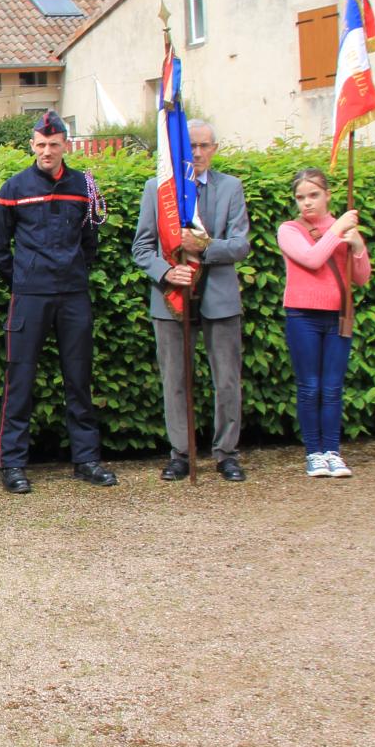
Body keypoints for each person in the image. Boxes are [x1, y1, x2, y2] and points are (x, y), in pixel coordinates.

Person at [0, 110, 117, 494]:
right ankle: (12, 464)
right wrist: (25, 280)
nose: (47, 151)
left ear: (65, 145)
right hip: (30, 297)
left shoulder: (83, 186)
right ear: (32, 145)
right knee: (20, 379)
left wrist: (71, 272)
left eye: (54, 144)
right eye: (41, 145)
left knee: (79, 379)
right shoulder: (13, 188)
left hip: (73, 295)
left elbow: (89, 241)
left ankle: (87, 459)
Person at [130, 120, 252, 482]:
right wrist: (167, 273)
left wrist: (205, 247)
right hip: (171, 298)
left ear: (214, 148)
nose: (197, 153)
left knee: (227, 379)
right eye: (191, 147)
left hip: (219, 297)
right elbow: (141, 247)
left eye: (204, 146)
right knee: (175, 380)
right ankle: (181, 453)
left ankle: (226, 453)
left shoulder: (231, 188)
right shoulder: (158, 189)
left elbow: (240, 244)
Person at [278, 167, 372, 478]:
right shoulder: (289, 229)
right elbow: (312, 259)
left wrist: (357, 246)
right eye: (300, 197)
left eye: (314, 195)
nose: (307, 203)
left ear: (328, 195)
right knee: (310, 387)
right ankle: (314, 453)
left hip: (338, 315)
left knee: (332, 388)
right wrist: (337, 231)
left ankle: (333, 451)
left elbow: (360, 277)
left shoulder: (343, 229)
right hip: (302, 315)